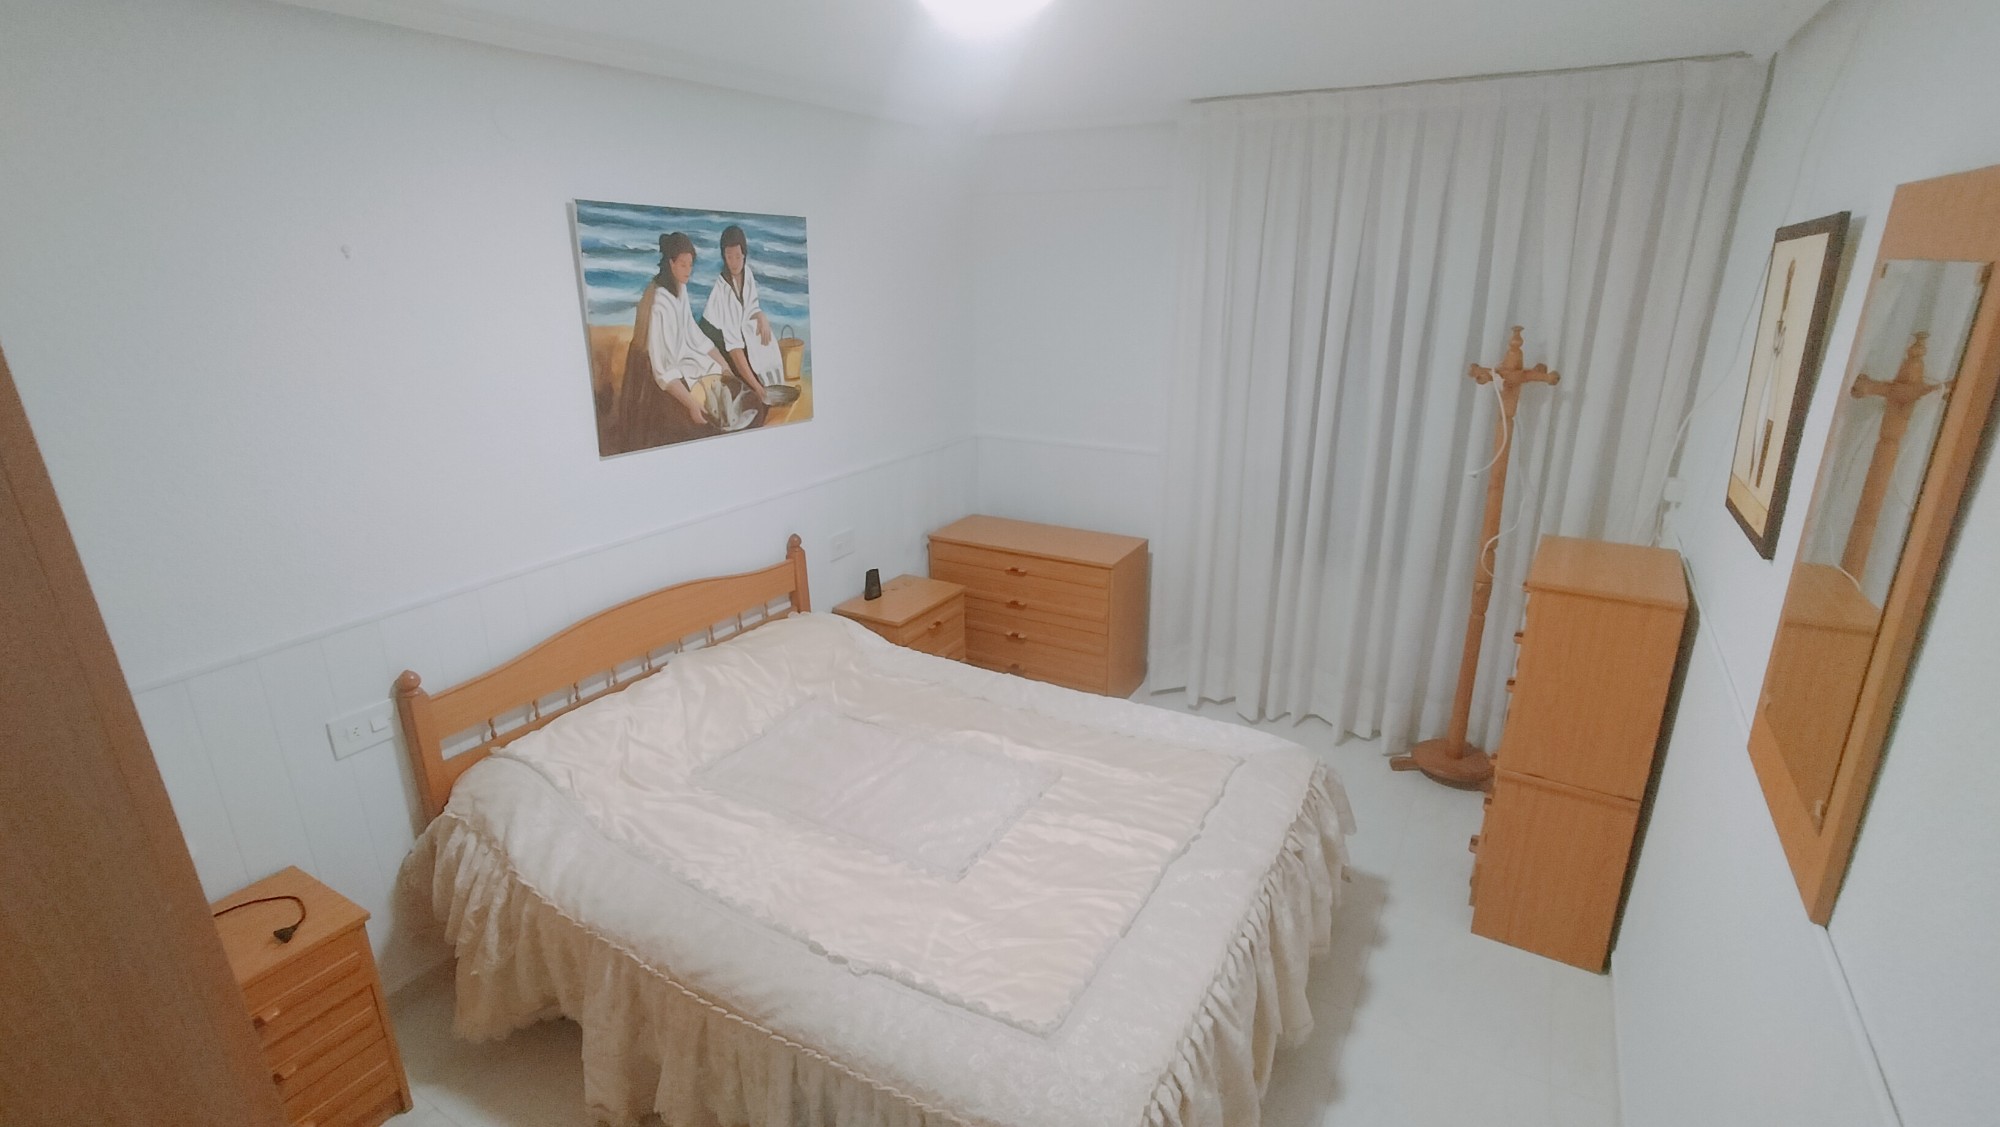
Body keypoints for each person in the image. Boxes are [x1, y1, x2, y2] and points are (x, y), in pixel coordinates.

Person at [607, 232, 764, 453]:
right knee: (702, 424)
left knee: (728, 386)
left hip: (681, 361)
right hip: (660, 378)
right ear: (671, 263)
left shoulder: (680, 287)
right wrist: (691, 403)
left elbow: (693, 333)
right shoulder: (659, 303)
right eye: (683, 265)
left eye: (690, 265)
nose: (688, 270)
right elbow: (662, 368)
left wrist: (724, 366)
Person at [700, 225, 788, 395]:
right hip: (715, 340)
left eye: (738, 256)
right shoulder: (723, 290)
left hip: (734, 335)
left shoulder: (747, 273)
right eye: (729, 257)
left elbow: (750, 309)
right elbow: (733, 348)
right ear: (723, 257)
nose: (734, 263)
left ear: (744, 255)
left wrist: (761, 316)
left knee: (761, 364)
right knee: (750, 389)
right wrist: (757, 388)